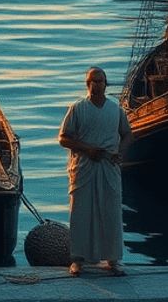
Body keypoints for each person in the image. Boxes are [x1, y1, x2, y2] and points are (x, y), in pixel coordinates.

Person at [59, 66, 131, 278]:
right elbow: (63, 137)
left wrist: (120, 152)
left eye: (99, 81)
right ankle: (77, 259)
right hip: (84, 167)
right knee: (80, 213)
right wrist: (87, 149)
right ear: (87, 84)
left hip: (108, 167)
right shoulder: (77, 108)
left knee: (111, 212)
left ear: (105, 84)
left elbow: (127, 134)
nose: (95, 85)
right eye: (91, 81)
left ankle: (113, 259)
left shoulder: (115, 109)